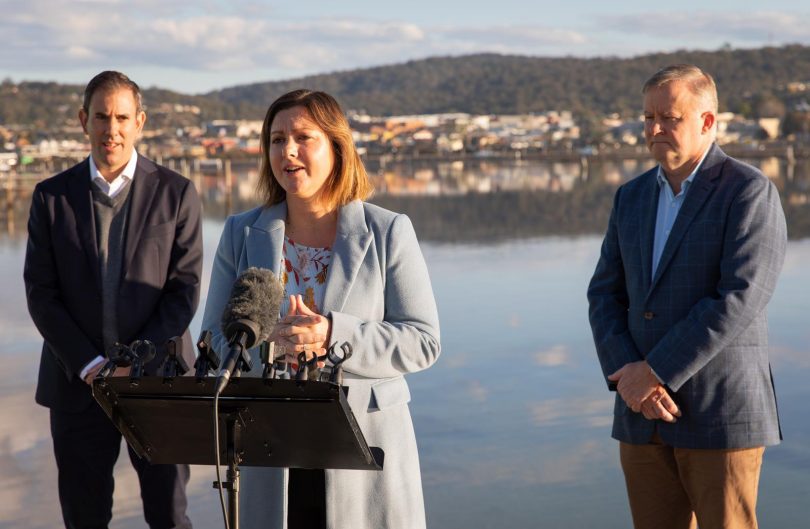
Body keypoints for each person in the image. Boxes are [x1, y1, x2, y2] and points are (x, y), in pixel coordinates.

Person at [200, 89, 441, 529]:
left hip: (365, 455)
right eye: (276, 139)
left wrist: (333, 334)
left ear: (336, 146)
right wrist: (266, 341)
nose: (287, 150)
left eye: (303, 137)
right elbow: (212, 342)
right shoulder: (239, 232)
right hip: (271, 451)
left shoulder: (389, 231)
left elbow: (423, 341)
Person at [587, 64, 787, 529]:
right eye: (647, 117)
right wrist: (631, 381)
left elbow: (740, 297)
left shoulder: (748, 191)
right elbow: (603, 294)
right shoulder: (630, 197)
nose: (655, 129)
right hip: (641, 416)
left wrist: (655, 371)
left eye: (670, 117)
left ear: (707, 121)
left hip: (719, 413)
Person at [24, 71, 202, 529]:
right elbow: (41, 295)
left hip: (158, 386)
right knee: (84, 518)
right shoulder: (50, 198)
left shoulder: (177, 193)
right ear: (84, 120)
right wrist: (91, 365)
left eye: (122, 117)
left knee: (169, 516)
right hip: (76, 385)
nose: (112, 129)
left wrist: (134, 363)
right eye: (101, 116)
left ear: (140, 121)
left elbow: (183, 292)